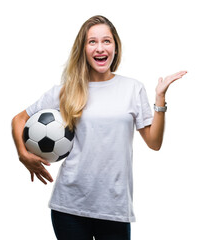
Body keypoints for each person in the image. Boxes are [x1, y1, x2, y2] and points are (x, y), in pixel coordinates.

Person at [12, 15, 187, 240]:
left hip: (114, 208)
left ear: (115, 47)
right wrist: (23, 154)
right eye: (92, 41)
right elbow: (19, 119)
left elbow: (154, 143)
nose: (99, 47)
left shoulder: (132, 89)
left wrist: (160, 99)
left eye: (106, 41)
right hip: (69, 206)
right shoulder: (67, 90)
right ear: (83, 49)